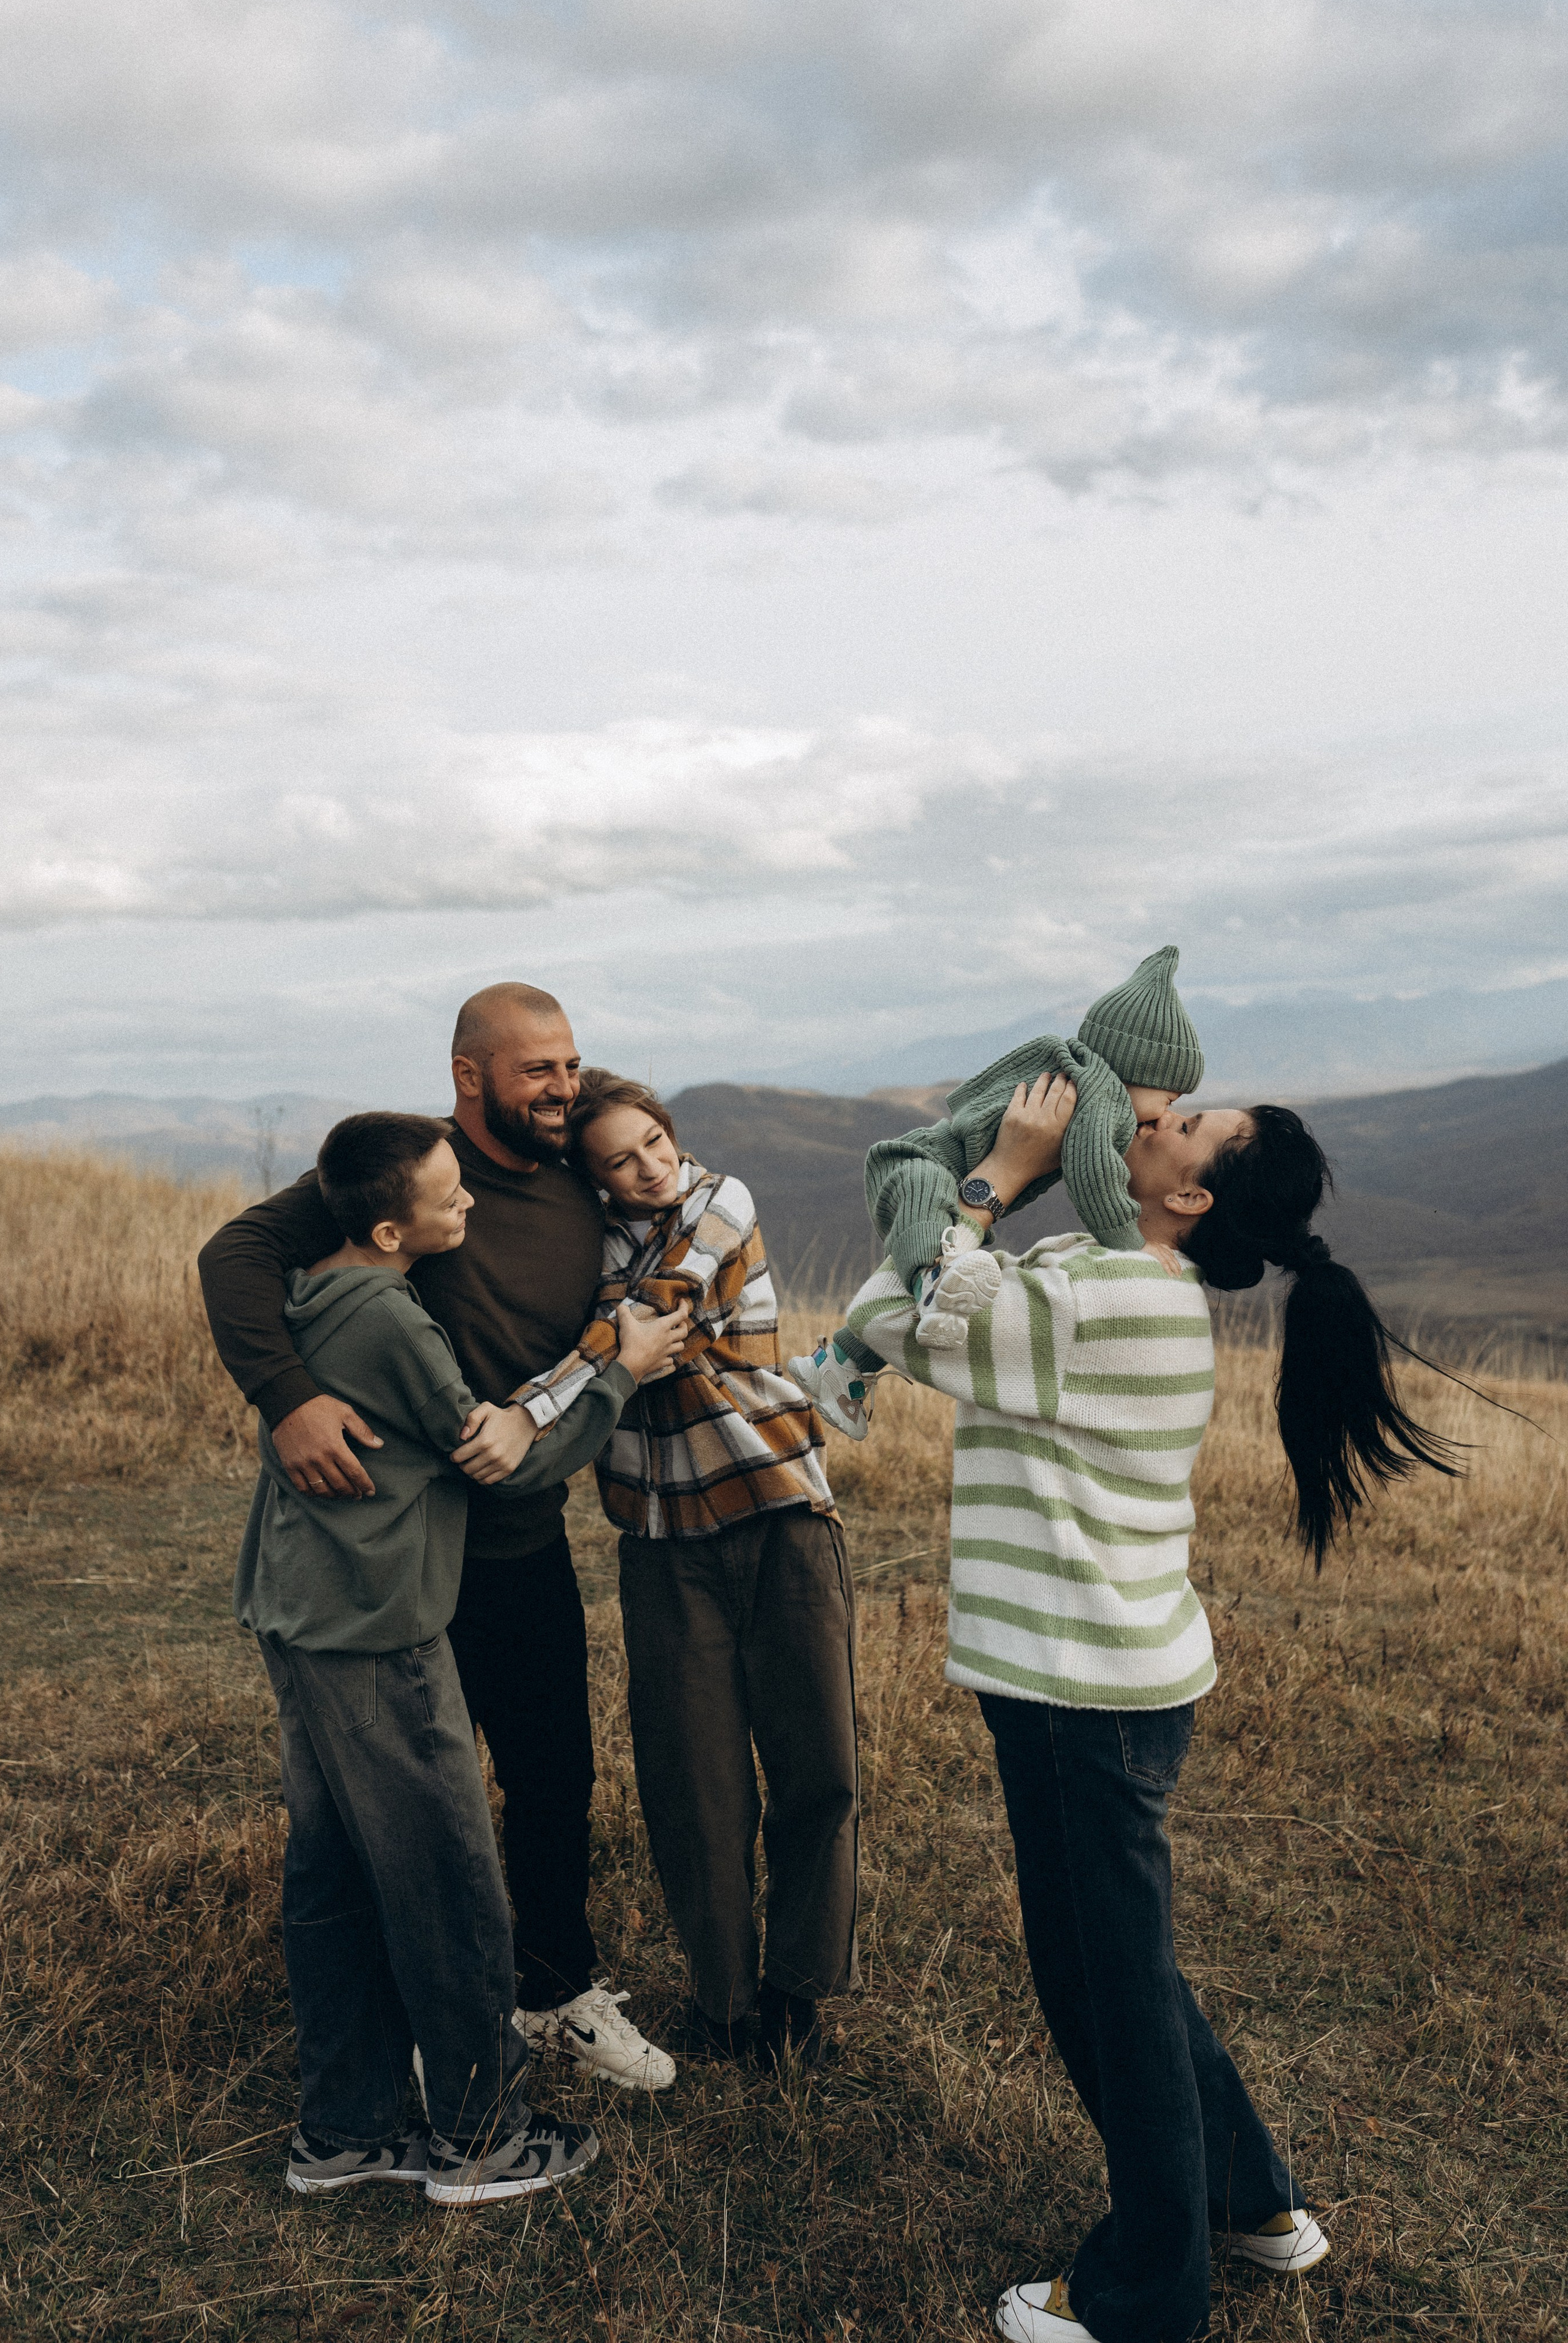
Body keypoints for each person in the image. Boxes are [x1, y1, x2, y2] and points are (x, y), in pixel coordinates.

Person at [843, 1077, 1461, 2342]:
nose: (1147, 1120)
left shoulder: (1104, 1296)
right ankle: (1251, 2203)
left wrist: (987, 1177)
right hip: (1108, 1681)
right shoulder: (1111, 1270)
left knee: (1101, 1992)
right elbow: (984, 1287)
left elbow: (885, 1314)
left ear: (1188, 1195)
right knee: (1128, 1969)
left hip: (1077, 1692)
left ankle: (1143, 2292)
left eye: (1179, 1126)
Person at [198, 984, 676, 2092]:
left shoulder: (577, 1178)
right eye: (535, 1071)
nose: (561, 1088)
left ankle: (553, 1994)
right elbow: (233, 1257)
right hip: (409, 1557)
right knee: (403, 1814)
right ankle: (416, 2024)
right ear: (471, 1078)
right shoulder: (412, 1180)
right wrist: (289, 1400)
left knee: (554, 1776)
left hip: (524, 1538)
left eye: (569, 1064)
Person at [521, 1073, 856, 2068]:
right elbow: (615, 1343)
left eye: (656, 1141)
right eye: (621, 1160)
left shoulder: (721, 1202)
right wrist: (609, 1351)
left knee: (818, 1768)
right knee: (693, 1782)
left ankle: (799, 1999)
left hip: (779, 1511)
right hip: (663, 1539)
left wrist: (539, 1399)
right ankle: (723, 2005)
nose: (651, 1165)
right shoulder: (583, 1251)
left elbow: (652, 1324)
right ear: (594, 1181)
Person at [789, 947, 1201, 1439]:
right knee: (938, 1261)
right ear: (1143, 1069)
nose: (1163, 1115)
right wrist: (1132, 1243)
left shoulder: (1092, 1083)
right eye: (1169, 1100)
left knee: (931, 1279)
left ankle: (837, 1364)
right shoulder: (1104, 1095)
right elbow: (1095, 1176)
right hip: (917, 1164)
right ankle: (933, 1282)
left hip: (946, 1187)